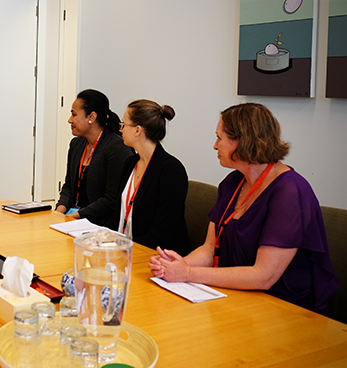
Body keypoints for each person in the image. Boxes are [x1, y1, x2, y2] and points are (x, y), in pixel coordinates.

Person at [149, 102, 339, 312]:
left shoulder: (290, 191)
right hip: (235, 294)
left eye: (219, 138)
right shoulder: (233, 182)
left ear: (242, 141)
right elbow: (209, 249)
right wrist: (175, 266)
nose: (215, 145)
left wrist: (188, 273)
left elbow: (264, 276)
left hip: (282, 306)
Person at [116, 99, 192, 255]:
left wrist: (120, 249)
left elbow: (161, 234)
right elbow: (116, 212)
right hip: (127, 250)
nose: (120, 130)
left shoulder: (171, 170)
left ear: (137, 130)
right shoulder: (130, 163)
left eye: (123, 125)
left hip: (159, 257)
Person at [55, 89, 134, 228]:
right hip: (74, 219)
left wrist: (74, 217)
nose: (69, 120)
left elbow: (111, 199)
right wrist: (59, 212)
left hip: (100, 224)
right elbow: (68, 186)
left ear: (91, 117)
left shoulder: (116, 148)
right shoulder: (76, 144)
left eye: (74, 114)